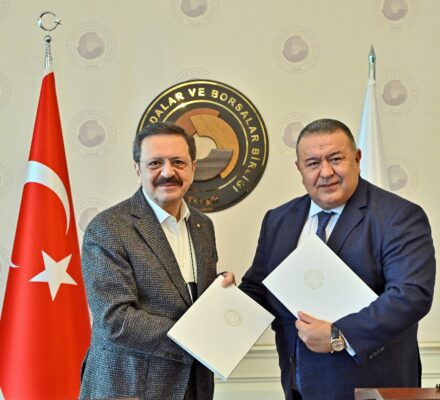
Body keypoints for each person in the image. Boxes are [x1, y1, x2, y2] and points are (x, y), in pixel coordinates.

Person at [240, 118, 436, 400]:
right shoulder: (278, 220)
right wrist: (224, 297)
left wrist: (339, 335)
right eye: (313, 163)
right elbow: (259, 290)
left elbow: (410, 295)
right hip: (299, 386)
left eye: (335, 159)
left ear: (357, 159)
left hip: (371, 389)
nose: (326, 172)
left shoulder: (398, 216)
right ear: (299, 168)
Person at [80, 122, 234, 400]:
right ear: (137, 169)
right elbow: (115, 319)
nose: (167, 172)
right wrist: (193, 336)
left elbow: (186, 294)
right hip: (131, 387)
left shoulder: (203, 226)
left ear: (193, 167)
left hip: (195, 384)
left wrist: (221, 291)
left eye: (178, 162)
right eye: (155, 163)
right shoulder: (108, 228)